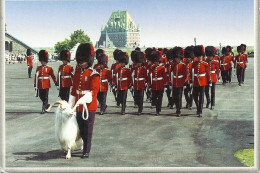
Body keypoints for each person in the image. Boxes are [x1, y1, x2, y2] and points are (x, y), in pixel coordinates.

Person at [68, 43, 100, 158]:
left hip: (89, 106)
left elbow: (93, 92)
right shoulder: (77, 72)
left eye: (83, 60)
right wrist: (70, 104)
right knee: (80, 129)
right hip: (78, 106)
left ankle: (86, 150)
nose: (80, 63)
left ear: (89, 60)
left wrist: (81, 101)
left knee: (87, 129)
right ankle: (82, 146)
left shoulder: (93, 74)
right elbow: (74, 89)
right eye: (80, 61)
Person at [34, 50, 57, 114]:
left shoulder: (49, 68)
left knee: (45, 97)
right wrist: (35, 83)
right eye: (42, 61)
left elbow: (52, 76)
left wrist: (55, 82)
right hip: (40, 84)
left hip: (46, 84)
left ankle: (43, 109)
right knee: (41, 96)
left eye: (44, 61)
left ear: (46, 61)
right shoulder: (38, 68)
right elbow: (36, 76)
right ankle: (46, 105)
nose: (43, 63)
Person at [192, 45, 210, 117]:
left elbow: (208, 73)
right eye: (198, 56)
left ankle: (200, 111)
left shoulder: (205, 64)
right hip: (196, 82)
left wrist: (209, 80)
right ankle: (198, 106)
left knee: (201, 97)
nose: (199, 58)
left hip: (203, 82)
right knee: (195, 96)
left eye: (200, 56)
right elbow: (191, 72)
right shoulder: (194, 63)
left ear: (202, 57)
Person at [148, 50, 167, 115]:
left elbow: (164, 76)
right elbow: (149, 76)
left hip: (160, 85)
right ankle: (157, 107)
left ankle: (158, 110)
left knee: (159, 99)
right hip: (154, 86)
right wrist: (149, 83)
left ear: (159, 62)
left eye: (157, 62)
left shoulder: (162, 68)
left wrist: (165, 84)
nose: (156, 63)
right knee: (154, 98)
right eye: (155, 62)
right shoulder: (152, 68)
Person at [170, 47, 187, 117]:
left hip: (180, 83)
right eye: (176, 58)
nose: (176, 59)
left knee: (179, 97)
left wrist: (185, 82)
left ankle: (178, 110)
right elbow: (170, 73)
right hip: (174, 83)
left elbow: (185, 75)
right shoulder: (173, 65)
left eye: (178, 58)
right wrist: (170, 82)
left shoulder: (183, 65)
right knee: (175, 97)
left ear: (180, 58)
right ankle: (177, 107)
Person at [132, 51, 148, 115]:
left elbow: (146, 77)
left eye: (140, 63)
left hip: (141, 85)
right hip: (136, 85)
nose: (139, 64)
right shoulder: (135, 68)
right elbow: (133, 76)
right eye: (138, 63)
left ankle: (140, 109)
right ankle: (139, 107)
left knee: (141, 97)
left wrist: (147, 83)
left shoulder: (143, 69)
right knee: (136, 97)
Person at [183, 46, 194, 110]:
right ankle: (188, 102)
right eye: (187, 58)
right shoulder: (185, 64)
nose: (188, 59)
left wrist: (192, 81)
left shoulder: (193, 64)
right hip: (185, 81)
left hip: (191, 80)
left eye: (189, 58)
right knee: (185, 93)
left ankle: (190, 104)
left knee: (191, 93)